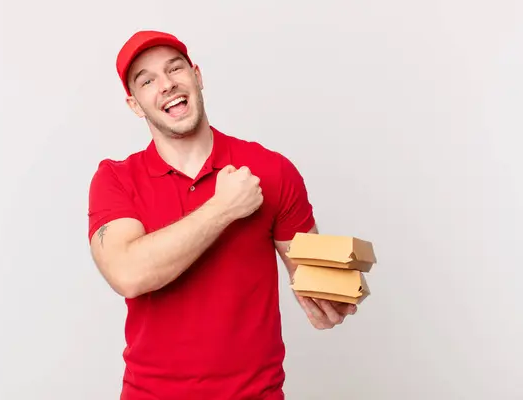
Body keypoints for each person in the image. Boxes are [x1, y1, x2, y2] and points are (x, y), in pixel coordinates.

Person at [87, 30, 357, 400]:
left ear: (197, 76)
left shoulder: (271, 170)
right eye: (147, 80)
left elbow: (316, 280)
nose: (166, 85)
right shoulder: (115, 179)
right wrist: (223, 208)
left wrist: (336, 296)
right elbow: (128, 273)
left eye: (175, 69)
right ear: (135, 104)